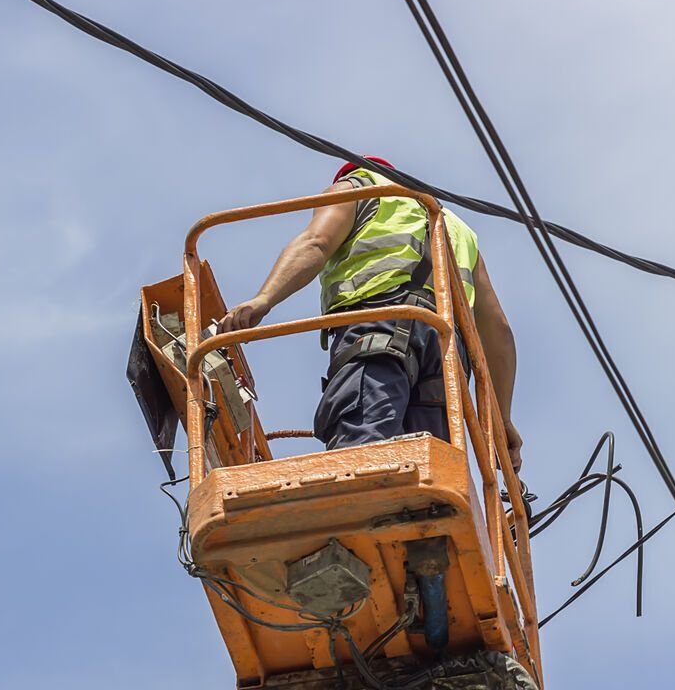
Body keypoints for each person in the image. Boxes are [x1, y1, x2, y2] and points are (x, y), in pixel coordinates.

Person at [222, 157, 522, 470]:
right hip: (446, 358)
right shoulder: (457, 228)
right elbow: (498, 330)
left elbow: (316, 242)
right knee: (432, 475)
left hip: (380, 329)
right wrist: (501, 421)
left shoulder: (356, 187)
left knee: (365, 456)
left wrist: (264, 299)